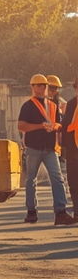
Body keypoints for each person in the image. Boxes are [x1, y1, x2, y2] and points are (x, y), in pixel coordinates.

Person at [17, 74, 73, 225]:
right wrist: (41, 126)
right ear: (32, 87)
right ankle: (31, 211)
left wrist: (55, 126)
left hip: (49, 148)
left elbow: (60, 125)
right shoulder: (28, 105)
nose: (41, 88)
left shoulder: (53, 106)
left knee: (57, 179)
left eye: (44, 85)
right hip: (33, 148)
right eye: (38, 85)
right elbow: (21, 126)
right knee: (31, 180)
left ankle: (60, 212)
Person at [62, 75, 78, 213]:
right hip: (73, 150)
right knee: (73, 181)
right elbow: (66, 126)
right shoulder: (72, 104)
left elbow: (66, 125)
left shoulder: (72, 103)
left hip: (73, 149)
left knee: (74, 181)